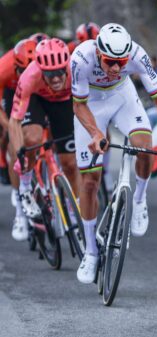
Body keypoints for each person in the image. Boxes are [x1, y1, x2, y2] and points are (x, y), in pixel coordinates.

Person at [71, 23, 157, 284]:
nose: (116, 68)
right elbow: (78, 104)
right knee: (90, 182)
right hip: (91, 104)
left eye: (121, 62)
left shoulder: (138, 55)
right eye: (109, 62)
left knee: (145, 147)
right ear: (98, 52)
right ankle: (91, 251)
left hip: (122, 97)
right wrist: (95, 133)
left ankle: (139, 199)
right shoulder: (81, 58)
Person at [8, 39, 79, 223]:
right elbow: (14, 121)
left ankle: (74, 211)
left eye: (59, 72)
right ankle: (25, 187)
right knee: (32, 140)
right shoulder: (29, 76)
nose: (55, 78)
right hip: (36, 99)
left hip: (63, 101)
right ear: (40, 69)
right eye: (49, 73)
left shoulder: (78, 68)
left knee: (70, 163)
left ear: (66, 66)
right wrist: (19, 153)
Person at [0, 38, 37, 241]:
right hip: (12, 93)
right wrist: (10, 128)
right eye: (22, 70)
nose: (27, 74)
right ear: (15, 66)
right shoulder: (4, 69)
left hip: (37, 91)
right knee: (15, 145)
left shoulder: (42, 70)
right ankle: (19, 206)